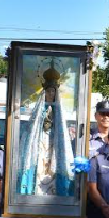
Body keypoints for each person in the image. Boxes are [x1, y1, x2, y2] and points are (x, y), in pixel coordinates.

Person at [18, 66, 75, 197]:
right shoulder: (38, 111)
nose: (51, 94)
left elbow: (62, 131)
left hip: (54, 142)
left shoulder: (59, 111)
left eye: (53, 92)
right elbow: (32, 129)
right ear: (44, 93)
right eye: (48, 91)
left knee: (53, 166)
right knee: (39, 165)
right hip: (41, 140)